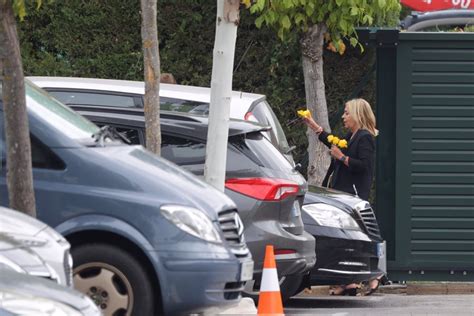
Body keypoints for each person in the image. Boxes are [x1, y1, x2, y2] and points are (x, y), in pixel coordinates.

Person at [302, 98, 383, 295]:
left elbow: (364, 166)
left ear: (357, 114)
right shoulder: (353, 135)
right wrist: (315, 127)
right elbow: (333, 141)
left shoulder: (365, 138)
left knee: (359, 233)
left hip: (353, 194)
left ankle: (375, 275)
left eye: (347, 113)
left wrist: (342, 158)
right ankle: (350, 282)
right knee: (347, 236)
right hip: (344, 193)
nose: (344, 116)